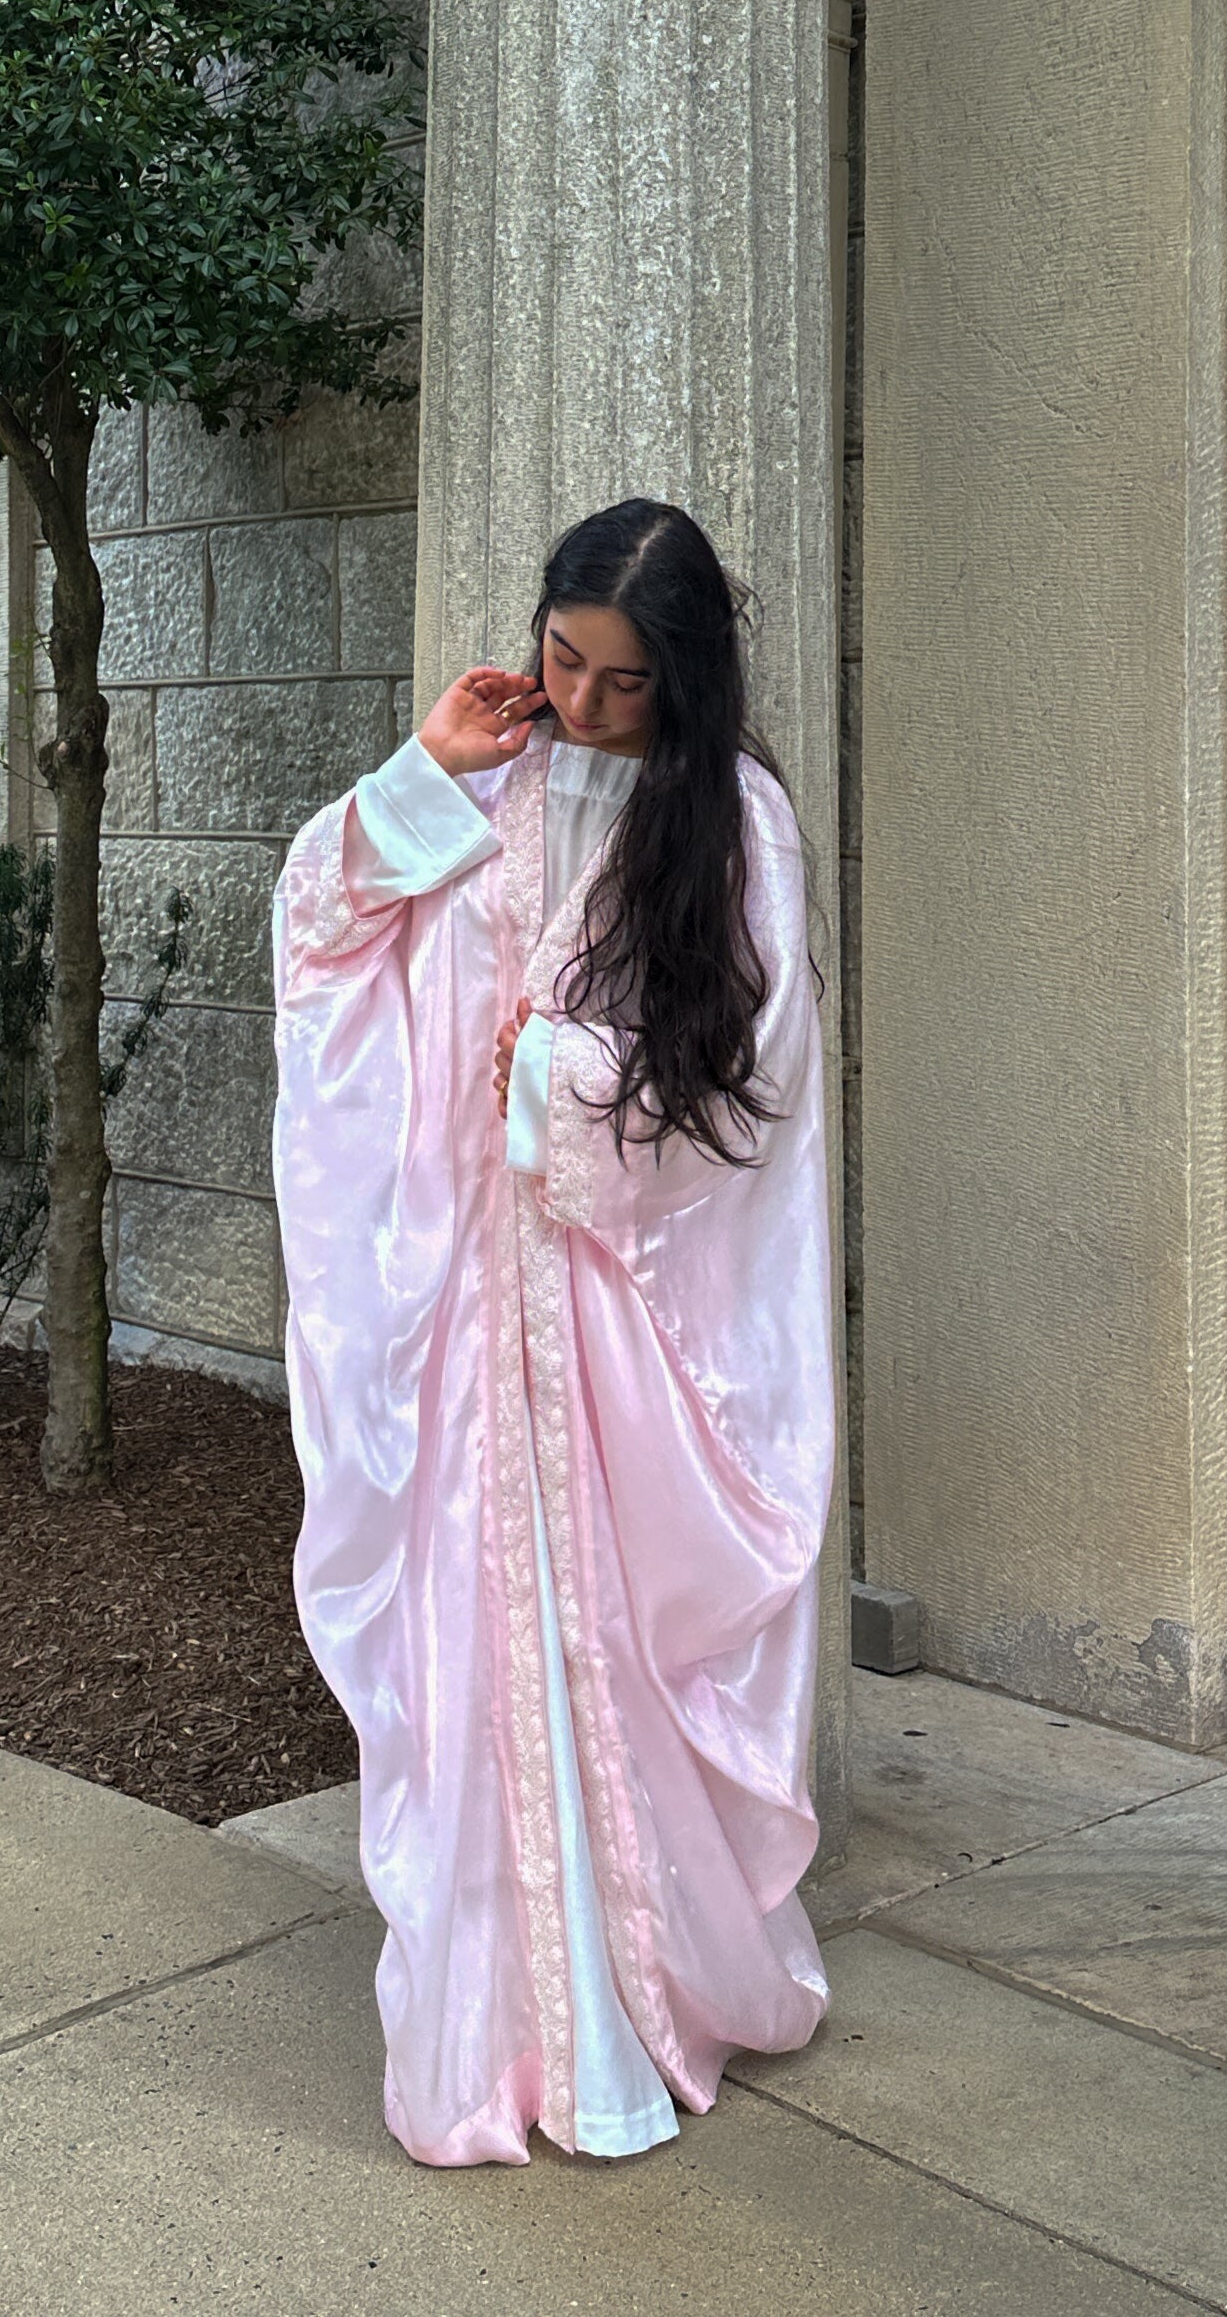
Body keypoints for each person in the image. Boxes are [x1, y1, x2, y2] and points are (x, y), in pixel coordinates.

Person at [270, 496, 835, 2169]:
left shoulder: (732, 821)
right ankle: (505, 2018)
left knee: (616, 1647)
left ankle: (638, 1992)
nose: (579, 701)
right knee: (471, 1652)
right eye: (560, 659)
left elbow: (760, 1065)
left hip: (623, 1307)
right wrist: (421, 768)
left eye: (621, 681)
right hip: (467, 1294)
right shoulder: (484, 779)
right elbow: (320, 932)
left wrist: (558, 1075)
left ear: (686, 681)